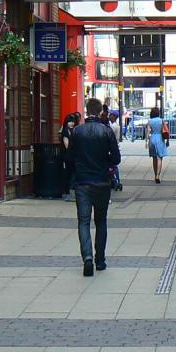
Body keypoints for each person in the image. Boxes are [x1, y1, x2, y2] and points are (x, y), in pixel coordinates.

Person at [67, 98, 121, 277]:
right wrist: (105, 160)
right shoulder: (106, 131)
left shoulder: (77, 131)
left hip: (82, 182)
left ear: (86, 111)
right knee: (101, 221)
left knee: (83, 221)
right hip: (102, 182)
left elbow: (69, 158)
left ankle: (87, 257)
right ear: (100, 113)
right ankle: (101, 260)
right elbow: (116, 158)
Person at [59, 112, 81, 202]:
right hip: (68, 157)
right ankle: (67, 192)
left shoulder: (74, 130)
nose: (71, 123)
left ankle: (73, 192)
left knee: (74, 174)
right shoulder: (65, 132)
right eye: (69, 122)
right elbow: (67, 146)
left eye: (72, 122)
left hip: (74, 156)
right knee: (68, 174)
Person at [146, 107, 169, 184]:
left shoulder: (149, 121)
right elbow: (166, 131)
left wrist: (147, 141)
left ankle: (155, 174)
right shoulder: (161, 120)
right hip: (160, 138)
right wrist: (167, 141)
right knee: (160, 158)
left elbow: (148, 131)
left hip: (152, 138)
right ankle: (158, 176)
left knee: (154, 158)